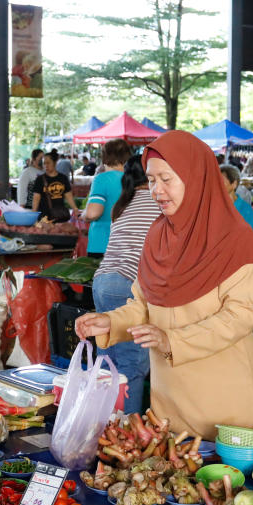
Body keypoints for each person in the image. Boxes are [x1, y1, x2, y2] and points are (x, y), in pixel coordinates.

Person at [75, 130, 253, 439]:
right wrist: (110, 321)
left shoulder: (235, 239)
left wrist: (171, 341)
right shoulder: (158, 234)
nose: (157, 191)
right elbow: (144, 305)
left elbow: (239, 317)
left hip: (221, 400)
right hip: (168, 404)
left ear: (197, 177)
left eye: (167, 179)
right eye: (151, 180)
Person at [91, 154, 160, 414]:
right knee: (132, 365)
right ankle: (127, 430)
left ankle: (102, 425)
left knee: (109, 361)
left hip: (102, 280)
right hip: (127, 283)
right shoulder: (157, 201)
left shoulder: (123, 203)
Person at [84, 140, 130, 257]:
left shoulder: (101, 179)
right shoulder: (135, 180)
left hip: (103, 244)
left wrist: (84, 215)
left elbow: (93, 214)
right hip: (130, 245)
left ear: (104, 157)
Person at [31, 152, 76, 222]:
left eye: (48, 163)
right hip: (44, 218)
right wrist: (33, 215)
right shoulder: (39, 179)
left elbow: (68, 195)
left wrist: (75, 209)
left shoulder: (63, 178)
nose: (46, 165)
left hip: (60, 216)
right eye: (44, 163)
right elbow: (36, 198)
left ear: (55, 163)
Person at [221, 165, 253, 231]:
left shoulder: (245, 209)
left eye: (221, 181)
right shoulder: (213, 206)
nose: (217, 184)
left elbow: (250, 235)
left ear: (234, 184)